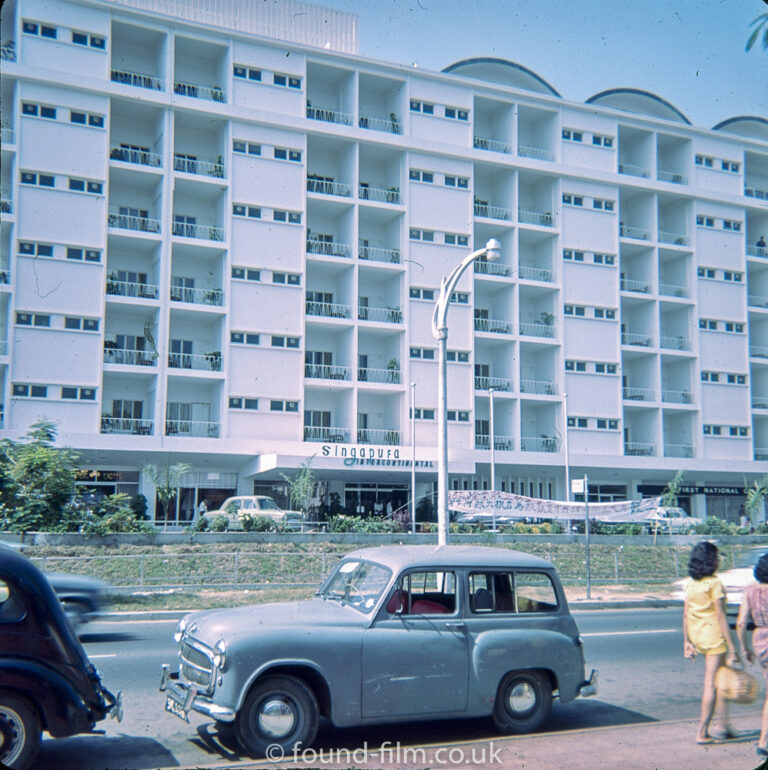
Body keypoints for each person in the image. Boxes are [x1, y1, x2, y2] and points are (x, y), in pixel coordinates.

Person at [683, 541, 741, 744]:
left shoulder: (692, 585)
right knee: (712, 685)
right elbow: (721, 617)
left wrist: (687, 643)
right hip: (714, 638)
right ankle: (702, 732)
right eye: (716, 557)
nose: (718, 560)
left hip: (698, 637)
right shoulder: (715, 584)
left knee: (720, 680)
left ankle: (723, 724)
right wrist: (733, 648)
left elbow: (685, 615)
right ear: (711, 561)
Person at [737, 552, 768, 757]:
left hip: (759, 641)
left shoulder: (749, 590)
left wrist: (744, 648)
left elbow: (740, 623)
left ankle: (764, 740)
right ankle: (764, 740)